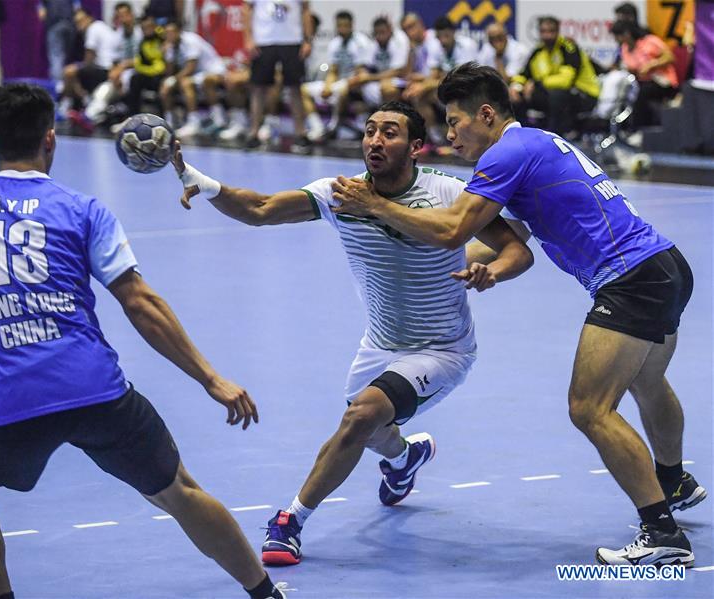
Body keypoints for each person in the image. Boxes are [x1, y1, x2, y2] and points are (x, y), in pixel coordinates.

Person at [0, 83, 286, 599]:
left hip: (7, 403)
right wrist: (211, 378)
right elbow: (140, 303)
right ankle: (265, 593)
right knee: (179, 491)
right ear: (52, 140)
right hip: (96, 391)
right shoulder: (84, 211)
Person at [330, 63, 706, 567]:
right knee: (649, 383)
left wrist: (376, 204)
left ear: (485, 115)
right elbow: (511, 240)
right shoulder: (533, 144)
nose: (450, 134)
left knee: (588, 408)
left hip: (629, 280)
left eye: (456, 121)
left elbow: (450, 231)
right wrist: (460, 273)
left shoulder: (504, 153)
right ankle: (673, 480)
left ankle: (661, 534)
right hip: (666, 266)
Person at [172, 100, 533, 565]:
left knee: (360, 417)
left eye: (390, 133)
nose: (376, 141)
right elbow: (260, 209)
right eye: (369, 131)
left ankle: (290, 521)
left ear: (417, 147)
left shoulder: (448, 193)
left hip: (441, 349)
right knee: (369, 427)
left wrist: (492, 272)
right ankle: (405, 459)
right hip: (378, 345)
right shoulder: (339, 194)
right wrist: (202, 182)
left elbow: (516, 250)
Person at [509, 16, 599, 136]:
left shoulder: (568, 48)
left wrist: (536, 83)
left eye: (551, 31)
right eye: (543, 32)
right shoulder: (538, 52)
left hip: (584, 94)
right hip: (552, 94)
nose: (547, 36)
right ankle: (522, 135)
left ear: (557, 31)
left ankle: (556, 137)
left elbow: (565, 81)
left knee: (557, 95)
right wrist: (516, 87)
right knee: (516, 96)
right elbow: (524, 74)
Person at [243, 0, 314, 152]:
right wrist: (248, 38)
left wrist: (308, 40)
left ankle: (300, 134)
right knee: (258, 88)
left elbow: (306, 10)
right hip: (264, 40)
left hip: (292, 40)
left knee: (295, 88)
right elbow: (247, 9)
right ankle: (253, 133)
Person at [403, 16, 478, 152]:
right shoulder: (437, 47)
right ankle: (435, 138)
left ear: (453, 32)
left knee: (425, 89)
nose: (443, 40)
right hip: (448, 88)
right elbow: (434, 75)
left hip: (468, 91)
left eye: (446, 36)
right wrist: (419, 87)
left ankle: (463, 141)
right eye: (440, 37)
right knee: (419, 95)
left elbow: (460, 77)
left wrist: (425, 85)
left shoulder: (468, 45)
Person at [300, 10, 371, 141]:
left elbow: (361, 71)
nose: (342, 29)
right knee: (303, 90)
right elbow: (333, 70)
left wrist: (344, 84)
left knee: (343, 90)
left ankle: (334, 126)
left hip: (353, 82)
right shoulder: (334, 43)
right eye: (339, 26)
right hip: (338, 83)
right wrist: (328, 86)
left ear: (351, 25)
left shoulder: (361, 42)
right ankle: (317, 127)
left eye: (345, 25)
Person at [161, 21, 228, 137]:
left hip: (213, 70)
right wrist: (165, 55)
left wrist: (173, 80)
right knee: (165, 85)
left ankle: (197, 122)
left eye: (172, 32)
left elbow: (191, 67)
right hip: (196, 75)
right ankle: (169, 122)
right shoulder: (170, 45)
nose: (169, 35)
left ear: (179, 32)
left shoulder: (191, 40)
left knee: (186, 83)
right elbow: (169, 71)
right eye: (167, 33)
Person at [611, 20, 679, 128]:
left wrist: (652, 64)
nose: (616, 40)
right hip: (641, 81)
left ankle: (639, 128)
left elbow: (670, 57)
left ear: (627, 34)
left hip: (662, 82)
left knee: (642, 93)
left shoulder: (650, 41)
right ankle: (620, 126)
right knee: (625, 91)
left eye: (618, 36)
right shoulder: (624, 49)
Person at [38, 0, 79, 90]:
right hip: (69, 24)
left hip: (54, 24)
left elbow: (41, 13)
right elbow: (77, 8)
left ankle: (58, 86)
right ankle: (67, 84)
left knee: (56, 56)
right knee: (66, 56)